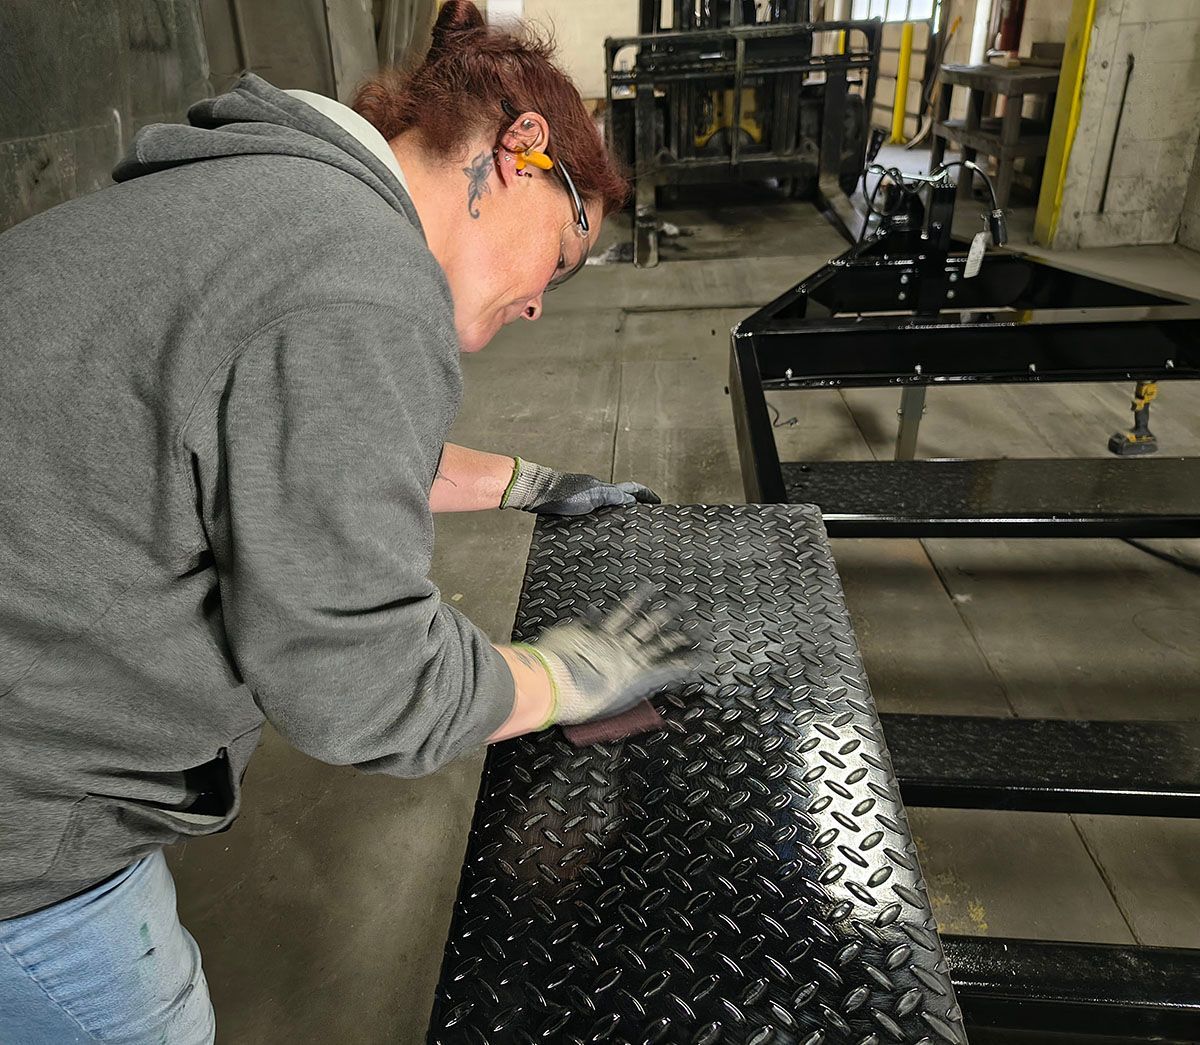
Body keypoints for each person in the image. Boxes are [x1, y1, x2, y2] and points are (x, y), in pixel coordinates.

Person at [0, 3, 697, 1041]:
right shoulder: (360, 281)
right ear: (520, 152)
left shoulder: (260, 195)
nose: (546, 301)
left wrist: (530, 483)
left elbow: (287, 452)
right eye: (563, 252)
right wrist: (560, 677)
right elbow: (360, 684)